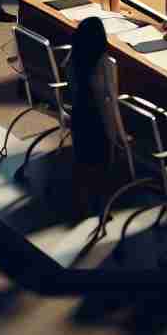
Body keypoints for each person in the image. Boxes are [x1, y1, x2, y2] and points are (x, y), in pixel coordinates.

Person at [65, 17, 114, 220]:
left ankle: (83, 202)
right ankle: (101, 206)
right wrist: (115, 135)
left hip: (78, 118)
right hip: (97, 125)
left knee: (83, 163)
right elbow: (106, 105)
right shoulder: (102, 66)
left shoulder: (71, 61)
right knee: (100, 168)